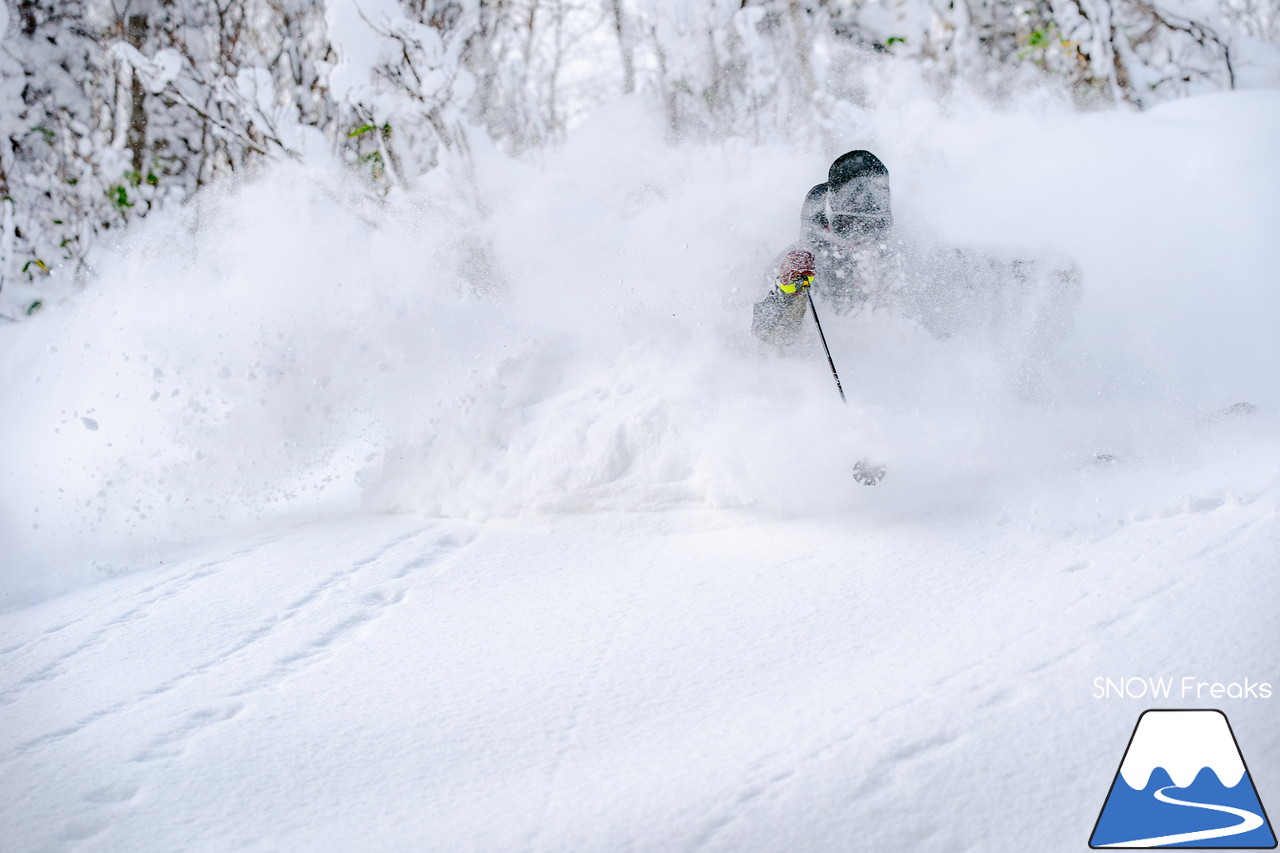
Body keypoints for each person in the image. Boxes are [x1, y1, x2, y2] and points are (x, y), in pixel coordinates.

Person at [751, 150, 895, 345]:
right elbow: (767, 336)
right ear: (828, 223)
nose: (858, 237)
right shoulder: (802, 265)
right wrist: (787, 291)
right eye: (846, 226)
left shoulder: (900, 257)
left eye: (871, 227)